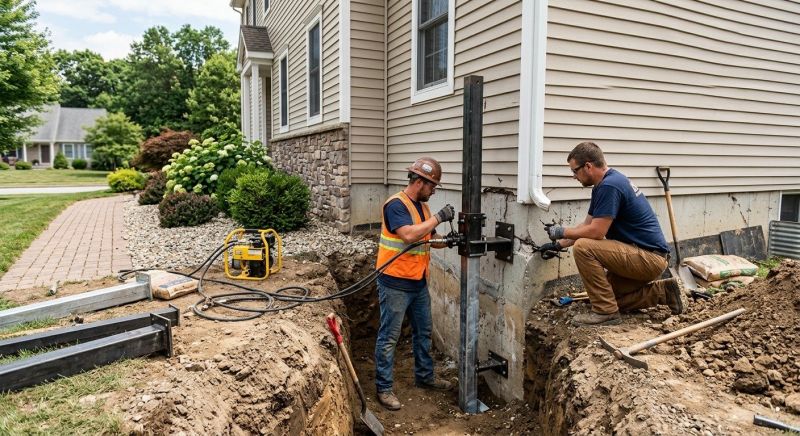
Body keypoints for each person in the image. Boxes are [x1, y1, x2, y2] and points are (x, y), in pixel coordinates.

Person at [540, 142, 688, 326]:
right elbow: (587, 225)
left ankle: (605, 313)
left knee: (583, 247)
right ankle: (664, 292)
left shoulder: (610, 186)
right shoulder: (604, 184)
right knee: (606, 295)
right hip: (643, 257)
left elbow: (596, 232)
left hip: (649, 259)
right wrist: (558, 244)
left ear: (588, 166)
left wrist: (561, 230)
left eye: (575, 171)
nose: (574, 177)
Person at [374, 156, 455, 411]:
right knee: (389, 337)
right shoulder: (395, 205)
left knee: (424, 332)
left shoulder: (423, 208)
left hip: (418, 281)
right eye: (432, 186)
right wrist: (440, 218)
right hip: (394, 282)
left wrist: (450, 240)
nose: (433, 191)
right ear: (420, 182)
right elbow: (409, 235)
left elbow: (428, 237)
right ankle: (384, 388)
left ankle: (425, 377)